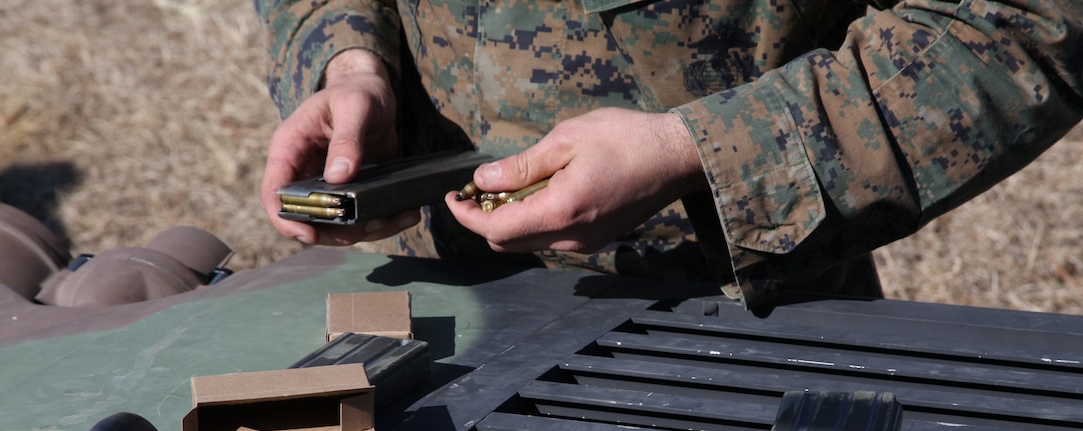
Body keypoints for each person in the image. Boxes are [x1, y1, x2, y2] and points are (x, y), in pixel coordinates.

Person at [254, 0, 1083, 310]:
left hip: (724, 332)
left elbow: (1025, 20)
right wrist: (347, 56)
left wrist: (696, 151)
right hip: (414, 328)